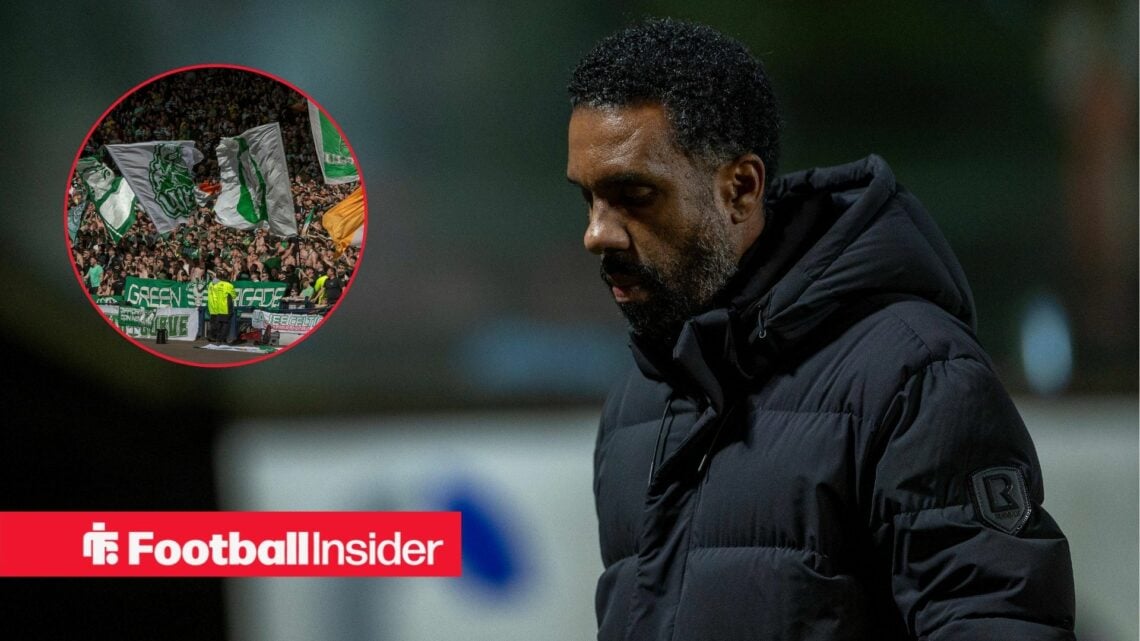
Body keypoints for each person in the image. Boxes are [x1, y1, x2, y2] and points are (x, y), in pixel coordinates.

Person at [565, 18, 1075, 641]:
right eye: (588, 199)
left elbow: (999, 623)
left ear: (740, 189)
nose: (597, 233)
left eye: (635, 195)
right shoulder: (637, 402)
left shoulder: (916, 374)